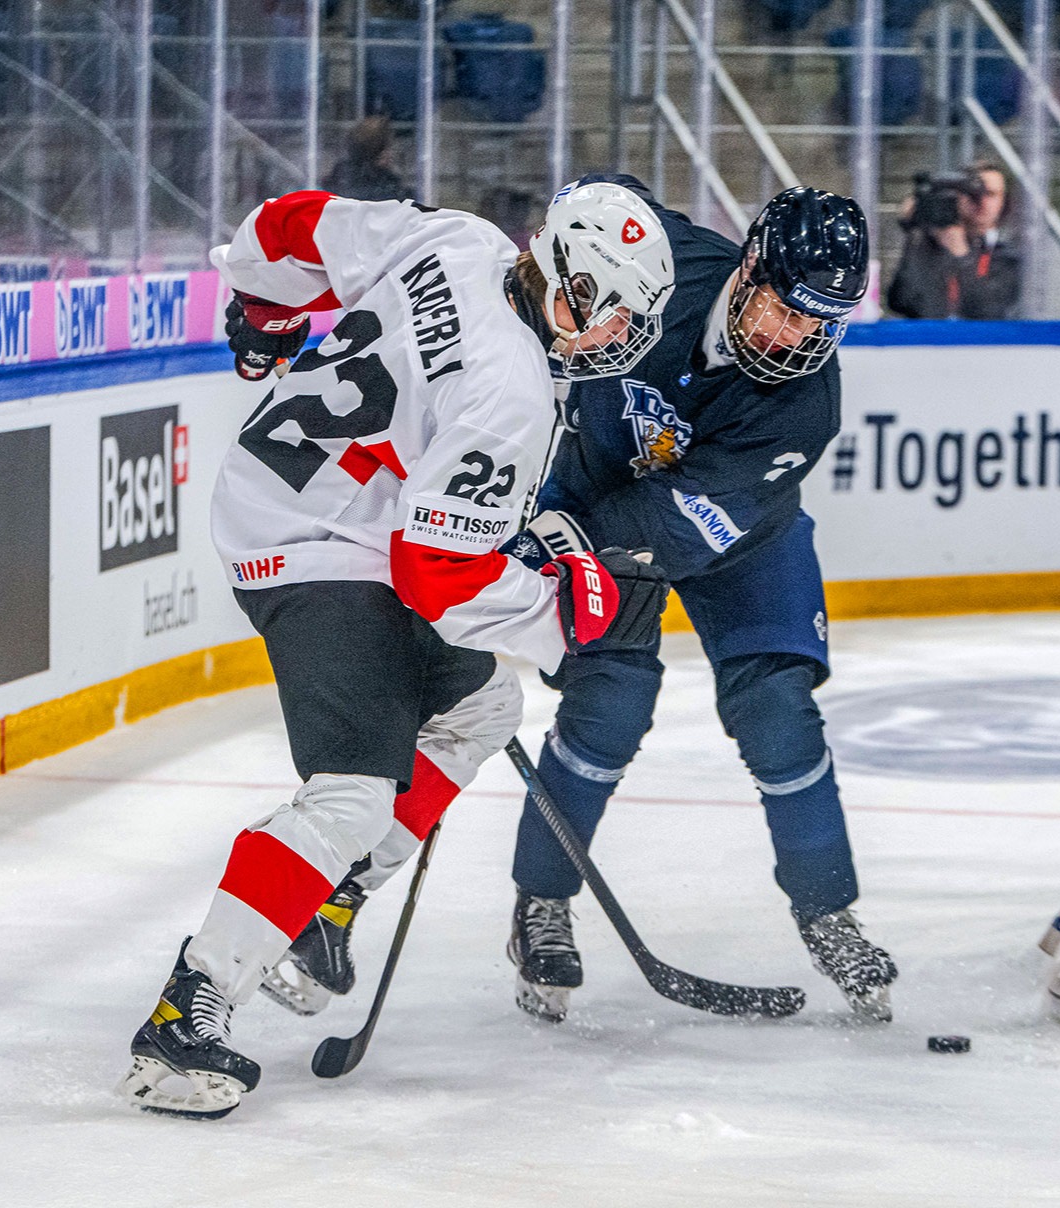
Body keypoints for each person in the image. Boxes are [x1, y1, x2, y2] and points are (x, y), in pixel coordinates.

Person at [280, 178, 900, 1029]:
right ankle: (540, 902)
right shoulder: (668, 262)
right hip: (592, 492)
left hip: (739, 536)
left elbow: (681, 521)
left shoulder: (804, 401)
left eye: (820, 323)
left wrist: (547, 539)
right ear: (750, 264)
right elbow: (603, 207)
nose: (798, 339)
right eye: (787, 310)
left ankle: (827, 908)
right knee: (609, 704)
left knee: (778, 710)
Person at [119, 181, 676, 1120]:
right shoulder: (513, 390)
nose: (615, 335)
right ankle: (184, 1021)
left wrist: (258, 297)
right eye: (612, 310)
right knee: (352, 792)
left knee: (481, 707)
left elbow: (293, 222)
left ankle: (323, 910)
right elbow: (437, 577)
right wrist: (557, 618)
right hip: (311, 544)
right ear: (572, 286)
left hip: (313, 500)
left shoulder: (457, 239)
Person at [885, 161, 1021, 320]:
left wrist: (961, 254)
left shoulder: (1008, 257)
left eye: (990, 194)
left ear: (1004, 202)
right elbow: (901, 302)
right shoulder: (932, 246)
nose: (981, 202)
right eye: (973, 194)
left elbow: (987, 312)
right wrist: (915, 235)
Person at [322, 115, 409, 203]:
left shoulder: (338, 175)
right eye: (390, 146)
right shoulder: (387, 184)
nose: (393, 153)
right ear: (381, 152)